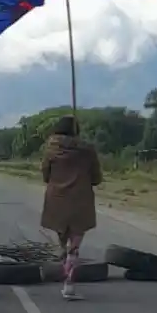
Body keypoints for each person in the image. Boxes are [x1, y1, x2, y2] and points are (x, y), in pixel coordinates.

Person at [40, 115, 102, 301]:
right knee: (74, 244)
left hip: (56, 199)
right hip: (80, 199)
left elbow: (45, 175)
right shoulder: (87, 150)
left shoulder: (50, 151)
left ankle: (65, 263)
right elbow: (96, 178)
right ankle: (69, 284)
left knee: (63, 237)